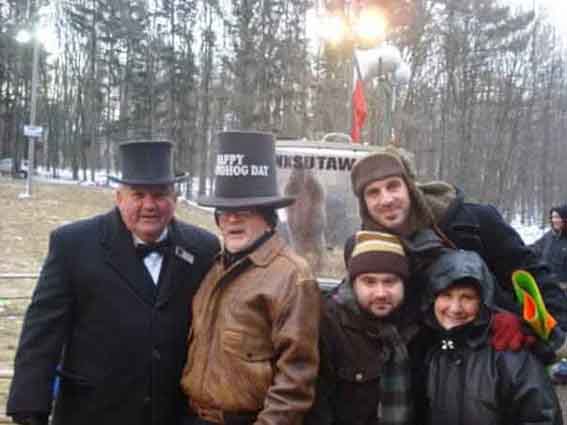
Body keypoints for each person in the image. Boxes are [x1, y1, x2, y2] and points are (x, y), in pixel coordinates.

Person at [6, 141, 220, 425]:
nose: (149, 205)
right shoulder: (73, 245)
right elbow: (42, 333)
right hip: (92, 413)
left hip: (174, 414)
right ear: (119, 197)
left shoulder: (203, 249)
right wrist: (29, 410)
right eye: (138, 195)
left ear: (175, 198)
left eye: (160, 194)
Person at [347, 145, 567, 355]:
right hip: (425, 367)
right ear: (363, 204)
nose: (386, 199)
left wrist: (545, 335)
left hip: (494, 357)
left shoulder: (474, 221)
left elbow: (533, 275)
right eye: (373, 193)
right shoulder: (364, 250)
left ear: (410, 187)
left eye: (393, 186)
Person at [180, 131, 320, 425]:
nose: (232, 219)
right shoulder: (213, 267)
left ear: (269, 217)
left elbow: (295, 382)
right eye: (224, 211)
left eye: (244, 210)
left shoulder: (292, 277)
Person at [418, 249, 562, 425]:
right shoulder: (431, 352)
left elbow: (542, 417)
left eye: (467, 297)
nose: (455, 308)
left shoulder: (510, 354)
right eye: (446, 295)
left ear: (483, 302)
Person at [305, 230, 415, 425]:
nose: (381, 293)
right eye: (369, 282)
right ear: (353, 284)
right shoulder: (327, 326)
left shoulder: (415, 326)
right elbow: (314, 408)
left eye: (390, 281)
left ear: (404, 284)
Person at [531, 205, 567, 285]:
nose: (554, 220)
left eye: (558, 217)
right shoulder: (549, 236)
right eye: (553, 217)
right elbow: (534, 249)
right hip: (547, 286)